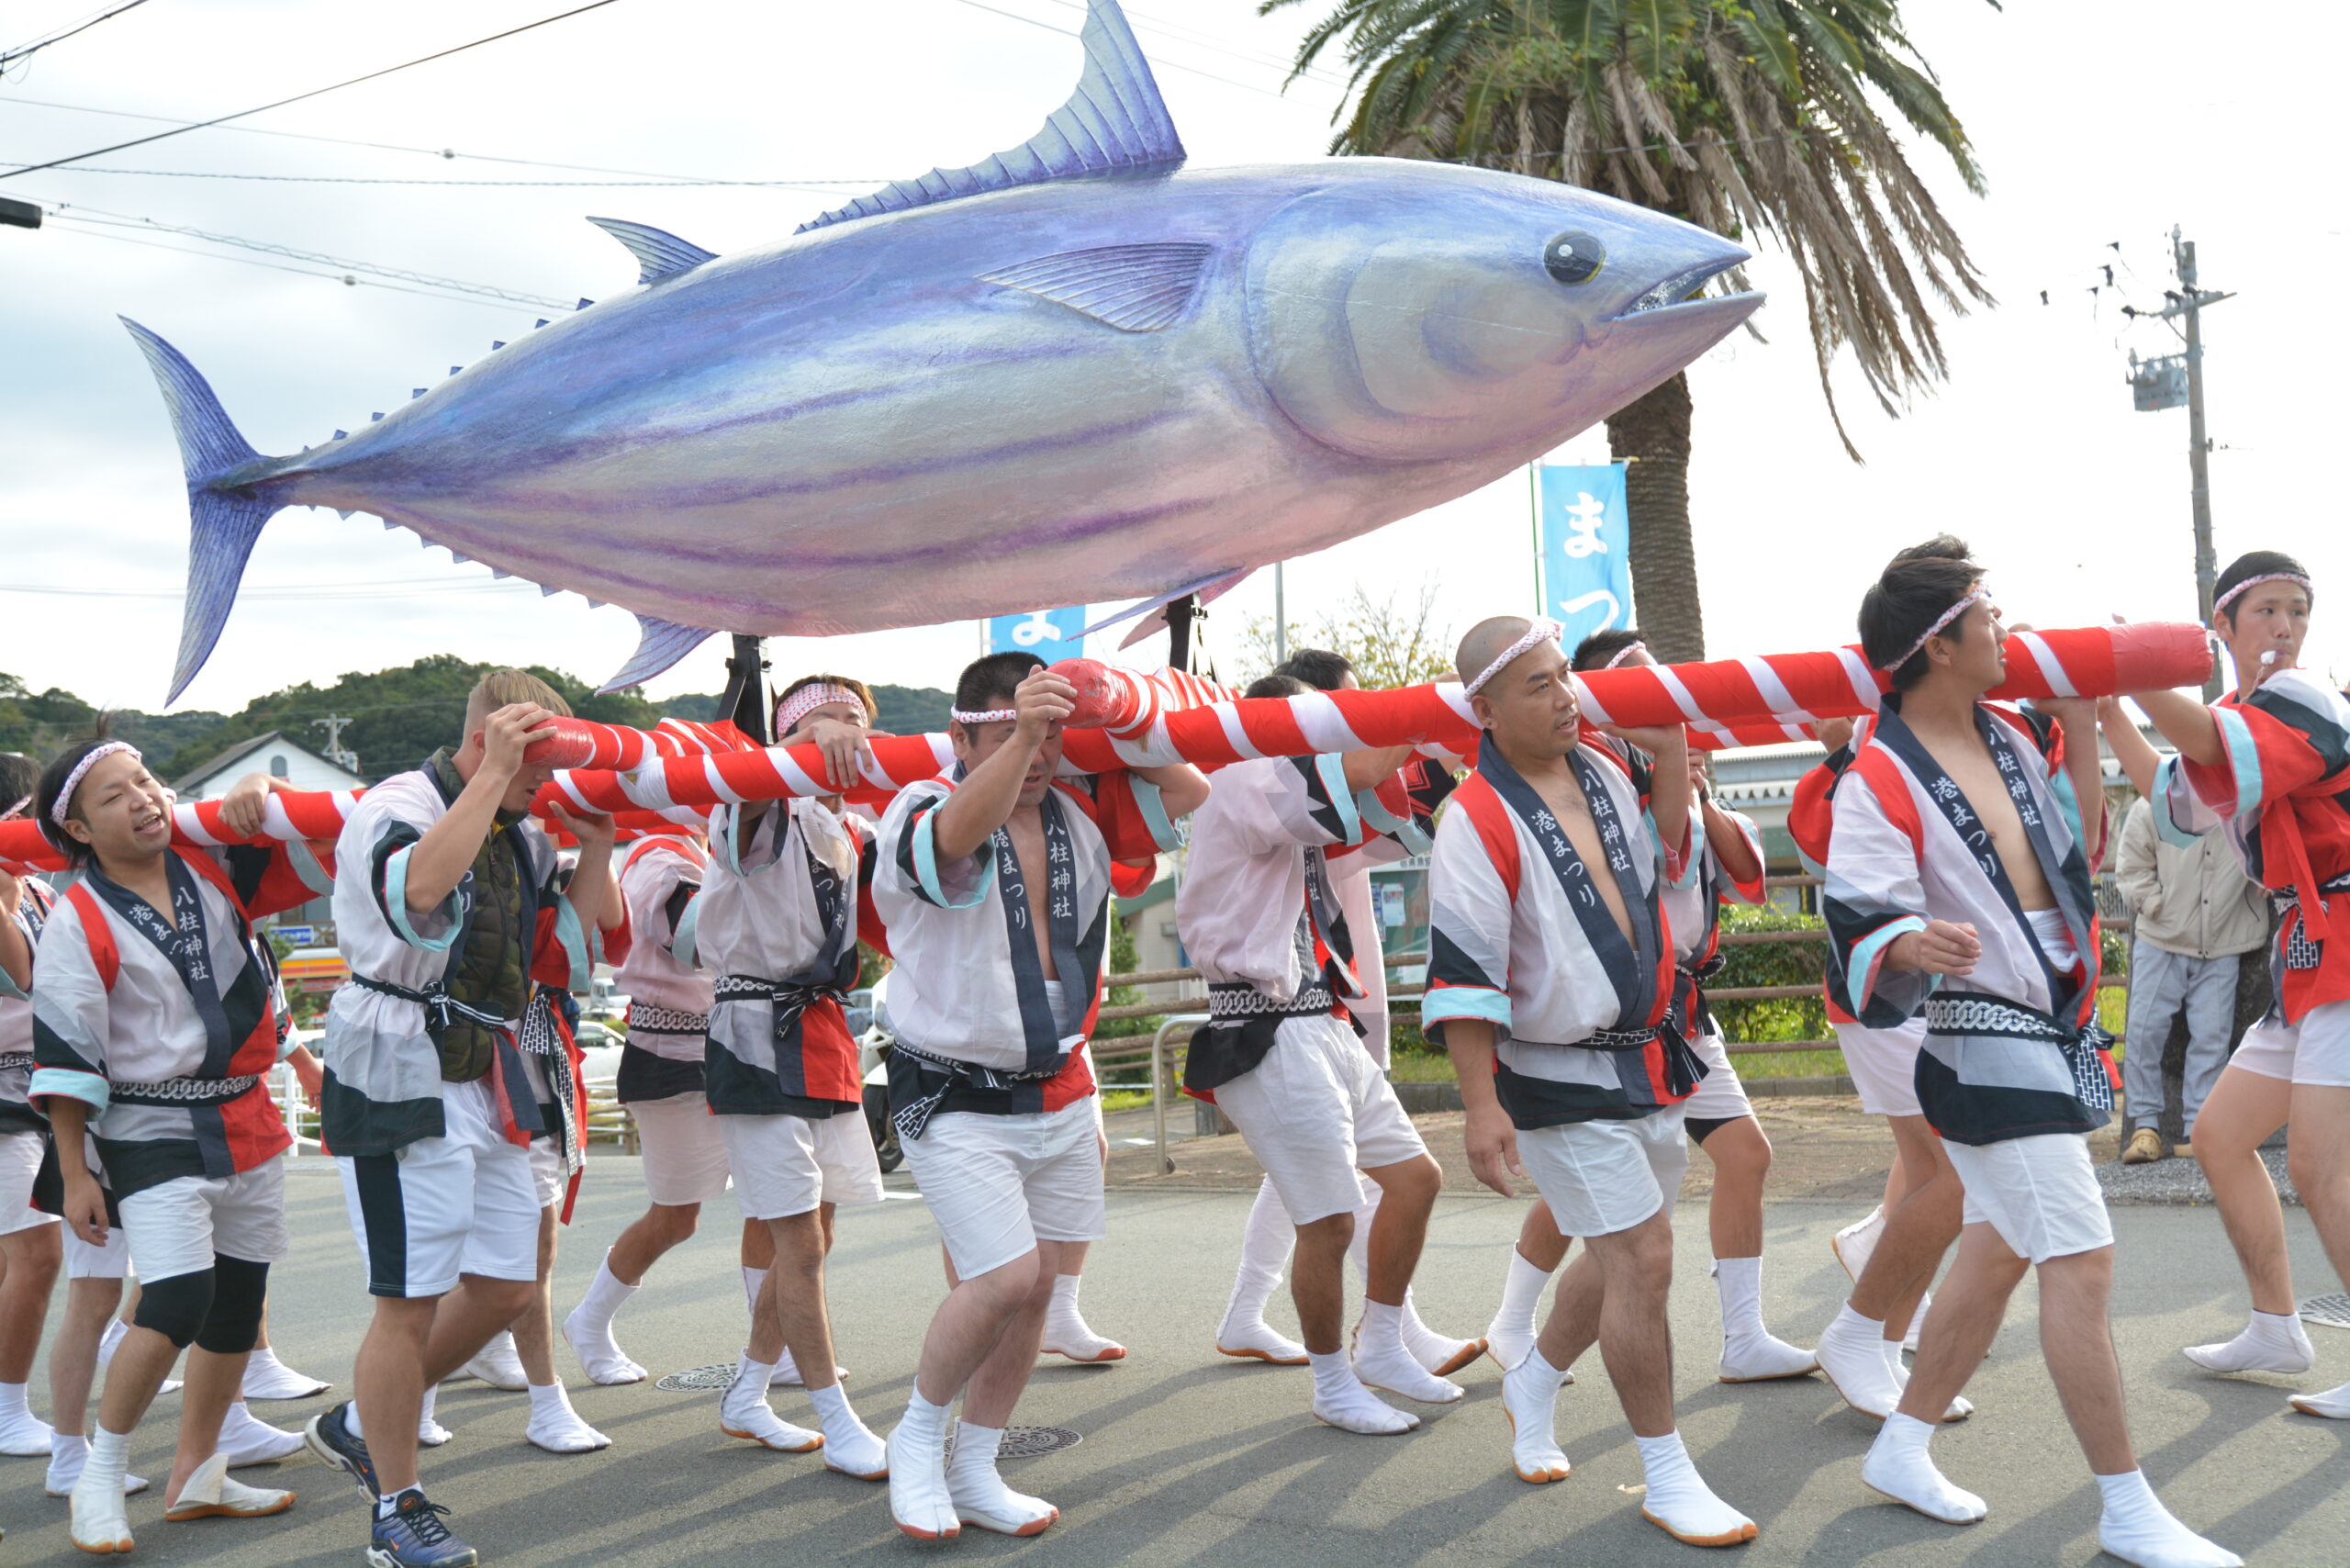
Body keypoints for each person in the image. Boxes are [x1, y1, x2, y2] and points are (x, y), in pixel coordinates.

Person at [1824, 538, 2237, 1568]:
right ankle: (2127, 1504)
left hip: (2045, 1028)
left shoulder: (2012, 732)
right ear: (1938, 644)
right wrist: (1906, 940)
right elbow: (1857, 910)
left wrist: (2087, 723)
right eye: (1986, 613)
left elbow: (2074, 853)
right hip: (1974, 1035)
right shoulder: (1876, 773)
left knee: (2002, 1244)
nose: (2004, 627)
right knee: (2082, 1258)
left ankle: (1903, 1444)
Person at [1425, 615, 1757, 1548]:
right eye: (1537, 684)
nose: (1566, 694)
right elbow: (1462, 973)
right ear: (1484, 709)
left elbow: (1663, 867)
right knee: (1644, 1260)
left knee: (1613, 1258)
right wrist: (1481, 1106)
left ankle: (1528, 1379)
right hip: (1553, 1075)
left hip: (1648, 1054)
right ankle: (1666, 1472)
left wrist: (1671, 754)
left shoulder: (1608, 771)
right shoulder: (1472, 819)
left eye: (1563, 674)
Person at [872, 652, 1204, 1540]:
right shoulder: (918, 805)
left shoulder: (1079, 811)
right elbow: (951, 842)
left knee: (1039, 1286)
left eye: (1056, 734)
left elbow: (1190, 792)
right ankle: (916, 1439)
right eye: (1016, 729)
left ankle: (977, 1465)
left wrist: (1127, 707)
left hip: (1061, 1084)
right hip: (951, 1090)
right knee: (1003, 1277)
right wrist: (1020, 736)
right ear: (961, 734)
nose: (1044, 751)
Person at [302, 669, 616, 1568]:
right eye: (534, 757)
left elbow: (589, 939)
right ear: (489, 739)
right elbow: (420, 896)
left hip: (487, 1061)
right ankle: (396, 1511)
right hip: (396, 1059)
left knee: (510, 1281)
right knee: (408, 1299)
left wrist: (591, 842)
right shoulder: (394, 803)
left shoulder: (522, 833)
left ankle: (366, 1418)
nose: (543, 778)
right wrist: (493, 779)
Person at [1480, 630, 1816, 1387]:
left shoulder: (1679, 781)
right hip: (1610, 1029)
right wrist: (1665, 768)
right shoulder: (1591, 781)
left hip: (1683, 1016)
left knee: (1737, 1158)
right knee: (1597, 1200)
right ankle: (1512, 1325)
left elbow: (1745, 875)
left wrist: (1689, 778)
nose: (1665, 707)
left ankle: (1743, 1335)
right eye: (1640, 691)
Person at [30, 737, 329, 1551]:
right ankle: (98, 1475)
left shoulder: (216, 867)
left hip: (246, 1115)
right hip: (146, 1127)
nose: (144, 800)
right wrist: (73, 1173)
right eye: (115, 796)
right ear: (82, 831)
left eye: (147, 782)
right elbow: (64, 1056)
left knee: (237, 1300)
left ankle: (198, 1471)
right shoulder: (76, 917)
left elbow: (327, 854)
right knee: (175, 1297)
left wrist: (262, 787)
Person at [1176, 673, 1460, 1434]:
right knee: (1329, 1222)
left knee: (1414, 1181)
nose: (1337, 728)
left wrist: (1441, 740)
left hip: (1324, 1018)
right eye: (1324, 715)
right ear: (1277, 721)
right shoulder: (1242, 774)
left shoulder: (1295, 786)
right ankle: (1334, 1383)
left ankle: (1386, 1344)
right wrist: (1432, 705)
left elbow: (1405, 819)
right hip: (1265, 1025)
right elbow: (1362, 772)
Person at [2112, 552, 2350, 1417]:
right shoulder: (2235, 716)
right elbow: (2170, 796)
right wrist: (2109, 702)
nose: (2285, 629)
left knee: (2325, 1172)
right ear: (2224, 627)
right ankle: (2276, 1324)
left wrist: (2123, 662)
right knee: (2218, 1136)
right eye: (2267, 613)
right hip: (2307, 949)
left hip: (2348, 939)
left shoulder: (2305, 697)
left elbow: (2204, 745)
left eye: (2298, 611)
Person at [691, 673, 897, 1473]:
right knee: (799, 1242)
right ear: (789, 735)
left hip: (823, 1027)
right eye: (827, 721)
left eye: (856, 720)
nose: (846, 731)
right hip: (752, 1028)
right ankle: (835, 1419)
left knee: (823, 1227)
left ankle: (747, 1391)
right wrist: (797, 751)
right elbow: (752, 786)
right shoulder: (759, 799)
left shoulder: (849, 823)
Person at [563, 824, 789, 1385]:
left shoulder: (695, 851)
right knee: (675, 1216)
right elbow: (696, 941)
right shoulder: (661, 857)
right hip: (671, 1051)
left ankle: (773, 1346)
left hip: (729, 1043)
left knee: (769, 1203)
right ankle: (589, 1319)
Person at [1787, 715, 1966, 1421]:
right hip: (1883, 994)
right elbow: (1819, 854)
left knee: (1934, 1171)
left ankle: (1882, 1342)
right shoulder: (1854, 767)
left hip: (1952, 987)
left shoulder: (1966, 743)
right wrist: (1840, 752)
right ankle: (1864, 1335)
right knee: (1952, 1175)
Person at [428, 853, 624, 1455]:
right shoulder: (445, 838)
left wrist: (598, 832)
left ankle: (540, 1397)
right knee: (440, 1245)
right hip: (455, 1064)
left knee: (532, 1248)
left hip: (530, 1072)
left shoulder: (545, 853)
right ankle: (417, 1392)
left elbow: (614, 935)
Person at [2110, 773, 2266, 1164]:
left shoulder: (2248, 809)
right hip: (2160, 939)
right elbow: (2131, 867)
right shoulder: (2154, 803)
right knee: (2144, 1032)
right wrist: (2154, 905)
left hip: (2226, 939)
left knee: (2212, 1038)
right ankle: (2145, 1126)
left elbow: (2270, 860)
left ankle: (2199, 1128)